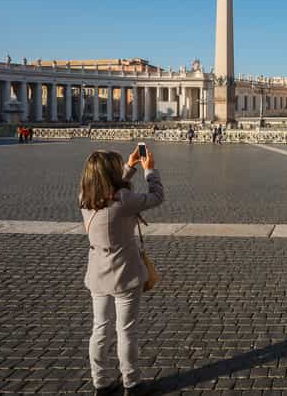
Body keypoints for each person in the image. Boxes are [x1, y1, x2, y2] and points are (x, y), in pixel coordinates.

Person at [79, 146, 164, 396]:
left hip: (97, 272)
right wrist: (149, 171)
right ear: (111, 174)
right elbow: (157, 196)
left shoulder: (84, 197)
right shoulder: (124, 201)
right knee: (126, 331)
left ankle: (101, 383)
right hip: (124, 273)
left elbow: (109, 189)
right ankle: (132, 383)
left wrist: (129, 167)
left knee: (100, 329)